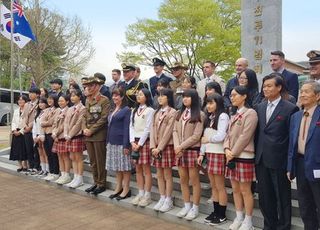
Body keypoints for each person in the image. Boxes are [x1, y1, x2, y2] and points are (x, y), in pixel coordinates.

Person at [255, 73, 299, 230]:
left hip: (279, 160)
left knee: (282, 197)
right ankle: (269, 225)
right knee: (265, 197)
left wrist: (290, 164)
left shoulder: (290, 108)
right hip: (261, 159)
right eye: (264, 86)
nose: (265, 89)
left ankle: (283, 227)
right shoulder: (259, 107)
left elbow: (292, 137)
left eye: (269, 86)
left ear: (279, 87)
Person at [223, 86, 258, 230]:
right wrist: (226, 149)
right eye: (231, 95)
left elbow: (246, 135)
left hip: (244, 155)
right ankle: (239, 217)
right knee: (235, 189)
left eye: (235, 95)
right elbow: (228, 135)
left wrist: (233, 152)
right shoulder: (234, 113)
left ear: (244, 96)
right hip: (231, 155)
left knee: (245, 190)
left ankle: (248, 221)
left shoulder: (250, 113)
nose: (232, 98)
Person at [287, 80, 320, 230]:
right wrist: (290, 167)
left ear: (317, 96)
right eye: (302, 91)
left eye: (307, 91)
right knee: (305, 206)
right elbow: (291, 145)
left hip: (317, 165)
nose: (302, 94)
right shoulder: (296, 116)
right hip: (300, 165)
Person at [173, 89, 205, 220]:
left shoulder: (200, 114)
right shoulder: (179, 113)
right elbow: (174, 130)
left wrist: (180, 146)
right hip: (180, 152)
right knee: (183, 179)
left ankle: (195, 207)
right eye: (184, 97)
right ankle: (186, 205)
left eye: (188, 97)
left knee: (194, 180)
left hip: (191, 151)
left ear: (194, 99)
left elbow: (196, 136)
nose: (185, 99)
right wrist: (176, 147)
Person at [198, 94, 229, 225]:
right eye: (207, 103)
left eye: (211, 103)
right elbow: (204, 138)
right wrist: (201, 154)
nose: (208, 106)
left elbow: (221, 136)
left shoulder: (223, 116)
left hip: (218, 153)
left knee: (220, 186)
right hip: (210, 153)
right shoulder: (210, 117)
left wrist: (208, 140)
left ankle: (222, 214)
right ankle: (216, 212)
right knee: (214, 186)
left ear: (218, 103)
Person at [82, 77, 110, 195]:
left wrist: (91, 130)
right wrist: (84, 128)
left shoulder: (104, 100)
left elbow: (104, 118)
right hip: (88, 134)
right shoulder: (87, 100)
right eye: (87, 85)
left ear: (98, 86)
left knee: (100, 160)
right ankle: (96, 182)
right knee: (93, 160)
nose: (88, 87)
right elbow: (84, 116)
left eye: (92, 85)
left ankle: (101, 183)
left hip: (98, 134)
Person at [150, 88, 177, 212]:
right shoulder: (156, 112)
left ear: (169, 97)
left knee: (167, 174)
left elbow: (168, 132)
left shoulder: (173, 112)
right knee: (159, 174)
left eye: (163, 96)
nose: (160, 98)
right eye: (158, 96)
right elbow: (152, 129)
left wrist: (159, 147)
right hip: (155, 147)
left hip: (166, 147)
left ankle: (168, 199)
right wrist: (153, 146)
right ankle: (162, 197)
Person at [129, 89, 154, 207]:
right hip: (135, 142)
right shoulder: (134, 110)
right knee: (138, 169)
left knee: (146, 170)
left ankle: (147, 195)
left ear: (147, 96)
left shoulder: (150, 110)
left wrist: (140, 144)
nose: (138, 96)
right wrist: (132, 141)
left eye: (141, 95)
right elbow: (131, 127)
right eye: (137, 95)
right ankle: (140, 192)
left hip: (144, 142)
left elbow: (148, 129)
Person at [106, 87, 132, 200]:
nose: (114, 97)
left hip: (122, 142)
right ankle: (118, 187)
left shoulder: (126, 110)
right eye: (113, 95)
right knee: (117, 167)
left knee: (125, 167)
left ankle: (126, 189)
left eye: (117, 95)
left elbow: (127, 128)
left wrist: (126, 145)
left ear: (122, 97)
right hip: (112, 141)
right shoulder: (112, 109)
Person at [64, 89, 86, 188]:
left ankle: (80, 178)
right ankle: (75, 177)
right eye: (71, 96)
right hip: (68, 136)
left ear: (79, 97)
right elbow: (66, 122)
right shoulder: (70, 109)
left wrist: (70, 135)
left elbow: (79, 124)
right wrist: (65, 134)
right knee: (72, 157)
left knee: (78, 157)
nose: (72, 98)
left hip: (77, 136)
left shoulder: (83, 108)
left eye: (74, 96)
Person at [52, 95, 71, 185]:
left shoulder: (69, 110)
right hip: (56, 137)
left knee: (65, 156)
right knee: (59, 156)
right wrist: (54, 134)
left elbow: (65, 125)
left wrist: (56, 133)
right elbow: (54, 123)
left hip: (63, 136)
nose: (60, 103)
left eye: (62, 101)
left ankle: (67, 175)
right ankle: (62, 174)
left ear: (67, 102)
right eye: (59, 101)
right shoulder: (58, 111)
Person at [41, 94, 60, 181]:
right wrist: (46, 122)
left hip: (52, 134)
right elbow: (42, 121)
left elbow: (53, 121)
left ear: (55, 100)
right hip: (45, 133)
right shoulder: (47, 110)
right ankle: (51, 171)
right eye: (48, 99)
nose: (49, 101)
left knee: (53, 154)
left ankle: (56, 172)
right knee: (48, 153)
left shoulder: (58, 110)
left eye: (51, 99)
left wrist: (46, 122)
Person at [23, 87, 40, 174]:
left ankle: (37, 167)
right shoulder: (27, 104)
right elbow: (24, 116)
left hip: (35, 129)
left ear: (37, 94)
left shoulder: (39, 104)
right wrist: (25, 126)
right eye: (29, 93)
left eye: (32, 93)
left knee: (36, 149)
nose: (30, 95)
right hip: (26, 129)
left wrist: (30, 126)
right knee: (28, 148)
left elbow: (36, 117)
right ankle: (31, 165)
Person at [10, 95, 28, 172]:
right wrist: (14, 130)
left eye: (22, 100)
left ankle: (25, 165)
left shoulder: (27, 110)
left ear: (25, 101)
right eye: (19, 100)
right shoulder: (16, 110)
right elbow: (13, 121)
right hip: (15, 132)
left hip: (23, 132)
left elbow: (27, 122)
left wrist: (20, 132)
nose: (20, 101)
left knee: (24, 149)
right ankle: (20, 165)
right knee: (17, 149)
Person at [32, 97, 49, 176]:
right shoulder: (37, 113)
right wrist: (34, 136)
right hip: (38, 135)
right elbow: (34, 126)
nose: (40, 104)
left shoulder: (48, 112)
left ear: (46, 103)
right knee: (40, 153)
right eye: (39, 103)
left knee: (46, 153)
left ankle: (48, 170)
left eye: (42, 102)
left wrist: (42, 135)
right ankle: (43, 169)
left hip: (44, 135)